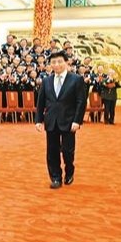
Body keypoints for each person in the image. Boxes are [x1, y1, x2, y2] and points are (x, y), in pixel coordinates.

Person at [35, 50, 87, 188]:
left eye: (59, 61)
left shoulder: (76, 79)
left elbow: (81, 102)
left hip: (69, 121)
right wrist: (38, 120)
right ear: (50, 64)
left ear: (66, 62)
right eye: (53, 62)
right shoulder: (46, 81)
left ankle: (69, 171)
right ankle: (56, 178)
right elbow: (41, 102)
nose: (56, 64)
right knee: (52, 151)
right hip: (51, 120)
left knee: (68, 151)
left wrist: (77, 121)